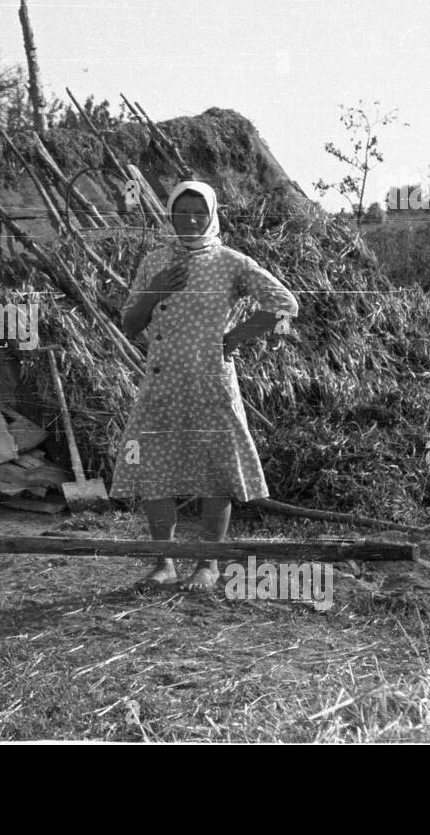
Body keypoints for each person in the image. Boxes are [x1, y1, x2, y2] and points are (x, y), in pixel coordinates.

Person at [111, 180, 299, 591]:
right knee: (155, 470)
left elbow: (285, 302)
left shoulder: (231, 262)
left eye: (200, 211)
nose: (191, 219)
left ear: (212, 214)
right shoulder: (155, 261)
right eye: (183, 211)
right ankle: (165, 563)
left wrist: (235, 337)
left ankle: (207, 565)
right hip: (162, 382)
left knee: (216, 473)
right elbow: (129, 324)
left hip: (211, 383)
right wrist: (158, 287)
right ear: (171, 215)